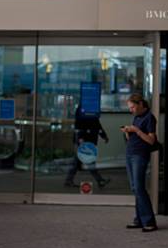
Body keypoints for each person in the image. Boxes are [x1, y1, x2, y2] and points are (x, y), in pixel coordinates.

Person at [120, 93, 158, 232]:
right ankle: (139, 219)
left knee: (139, 188)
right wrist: (127, 132)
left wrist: (136, 129)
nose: (131, 110)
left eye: (132, 107)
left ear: (141, 104)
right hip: (130, 153)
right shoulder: (137, 117)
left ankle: (149, 221)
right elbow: (134, 137)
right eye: (129, 108)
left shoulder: (149, 118)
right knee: (135, 188)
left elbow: (151, 140)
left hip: (140, 155)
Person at [65, 105, 111, 188]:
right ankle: (100, 180)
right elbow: (79, 124)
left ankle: (69, 180)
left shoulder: (90, 108)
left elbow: (96, 124)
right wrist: (80, 139)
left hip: (87, 140)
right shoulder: (83, 108)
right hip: (84, 140)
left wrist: (103, 135)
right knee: (88, 161)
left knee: (78, 161)